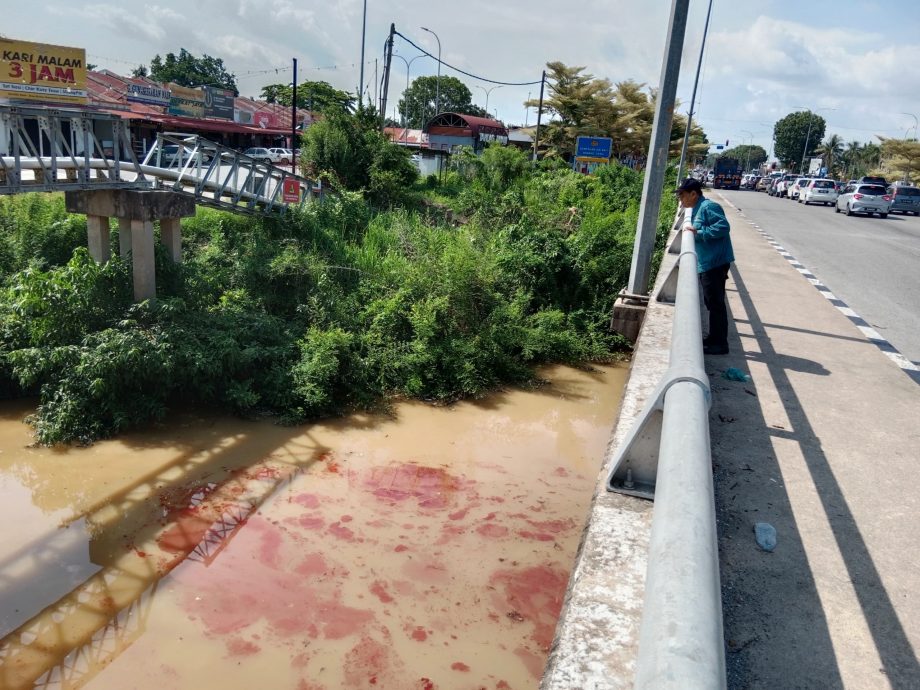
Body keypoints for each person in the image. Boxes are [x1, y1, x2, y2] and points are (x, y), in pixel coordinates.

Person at [675, 177, 735, 355]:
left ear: (694, 194)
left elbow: (723, 227)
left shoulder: (708, 207)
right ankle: (713, 338)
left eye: (683, 196)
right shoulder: (696, 208)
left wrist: (700, 233)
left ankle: (720, 344)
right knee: (711, 302)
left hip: (715, 262)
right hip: (707, 262)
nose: (681, 200)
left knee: (715, 303)